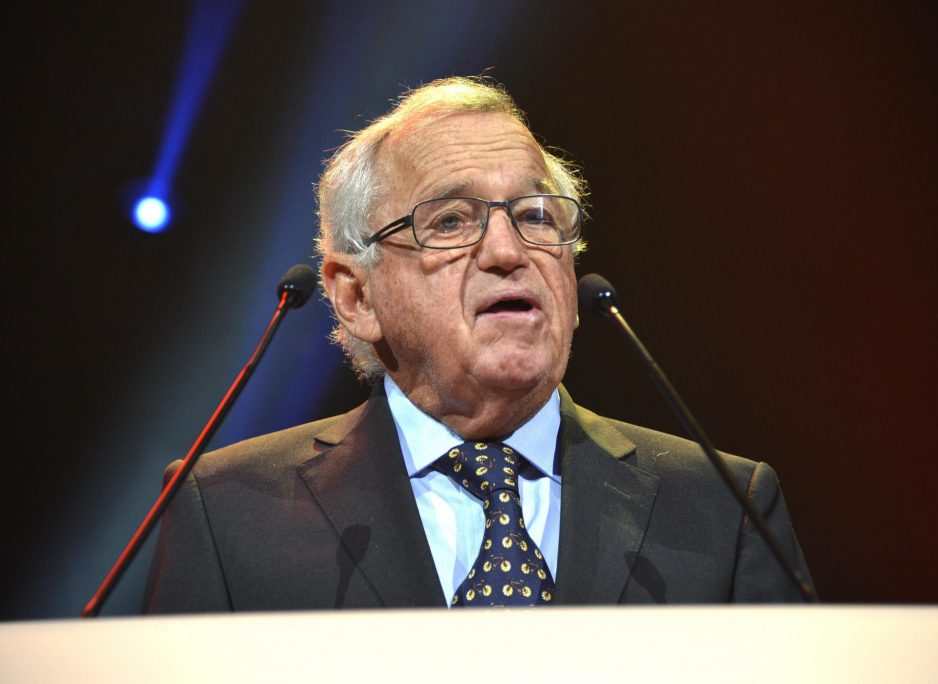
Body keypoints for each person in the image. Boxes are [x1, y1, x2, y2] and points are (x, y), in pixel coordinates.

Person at [143, 77, 813, 612]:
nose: (506, 251)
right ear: (356, 296)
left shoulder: (724, 506)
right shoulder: (225, 512)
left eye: (535, 216)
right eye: (452, 221)